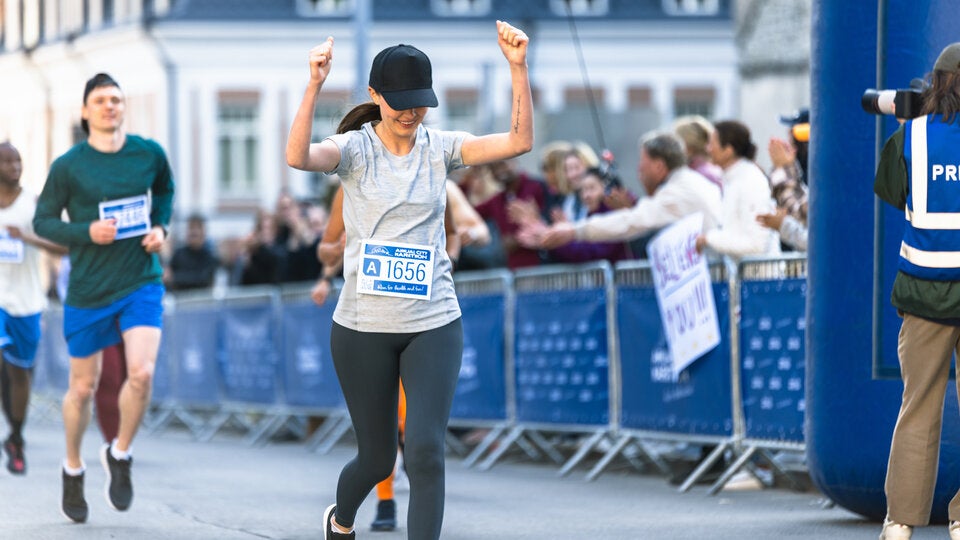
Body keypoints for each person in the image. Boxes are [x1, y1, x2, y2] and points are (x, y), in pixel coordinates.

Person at [285, 19, 532, 540]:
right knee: (377, 458)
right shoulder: (354, 151)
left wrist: (517, 68)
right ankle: (341, 519)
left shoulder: (440, 147)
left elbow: (518, 141)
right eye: (399, 102)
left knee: (424, 451)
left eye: (420, 102)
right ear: (375, 95)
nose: (410, 113)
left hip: (433, 321)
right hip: (362, 328)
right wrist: (314, 84)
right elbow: (298, 157)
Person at [33, 73, 174, 524]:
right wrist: (85, 232)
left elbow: (165, 190)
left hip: (140, 280)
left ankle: (121, 452)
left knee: (142, 373)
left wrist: (160, 227)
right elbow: (43, 221)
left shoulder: (148, 153)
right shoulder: (69, 166)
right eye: (100, 100)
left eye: (116, 99)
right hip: (89, 289)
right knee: (82, 388)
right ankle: (73, 468)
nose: (109, 106)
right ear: (85, 111)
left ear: (122, 106)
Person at [874, 42, 960, 540]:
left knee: (919, 408)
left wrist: (911, 129)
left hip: (924, 292)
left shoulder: (913, 135)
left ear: (938, 82)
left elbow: (891, 191)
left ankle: (901, 522)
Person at [533, 131, 721, 256]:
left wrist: (575, 231)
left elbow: (630, 221)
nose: (639, 169)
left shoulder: (677, 192)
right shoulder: (691, 182)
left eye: (643, 163)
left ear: (659, 166)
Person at [0, 141, 67, 475]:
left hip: (27, 302)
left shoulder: (33, 203)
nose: (15, 167)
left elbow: (64, 246)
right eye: (7, 161)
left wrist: (26, 238)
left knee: (18, 373)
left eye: (18, 161)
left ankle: (15, 437)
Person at [695, 120, 781, 262]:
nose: (708, 149)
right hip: (745, 273)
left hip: (759, 275)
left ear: (728, 150)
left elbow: (756, 246)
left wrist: (709, 239)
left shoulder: (750, 181)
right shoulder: (734, 179)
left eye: (712, 144)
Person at [165, 213, 219, 291]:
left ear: (204, 232)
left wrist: (176, 277)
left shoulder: (210, 256)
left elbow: (204, 279)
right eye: (191, 227)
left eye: (198, 228)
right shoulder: (178, 254)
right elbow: (168, 277)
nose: (194, 231)